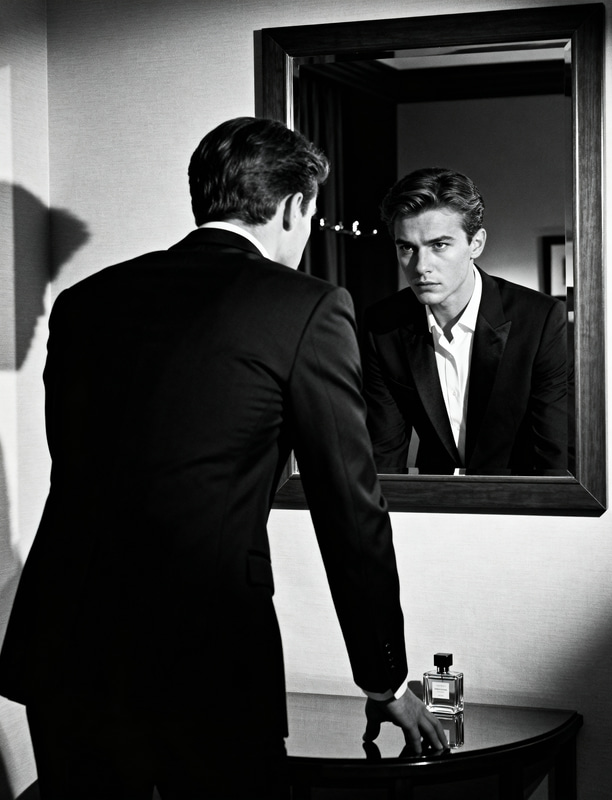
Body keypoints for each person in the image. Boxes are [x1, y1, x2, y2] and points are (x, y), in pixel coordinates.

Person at [0, 117, 446, 799]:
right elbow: (349, 508)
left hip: (63, 639)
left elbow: (83, 467)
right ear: (295, 207)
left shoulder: (84, 303)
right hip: (202, 650)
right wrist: (382, 676)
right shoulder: (307, 307)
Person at [361, 167, 572, 476]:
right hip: (436, 505)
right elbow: (383, 453)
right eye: (407, 247)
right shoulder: (383, 325)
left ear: (476, 243)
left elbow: (555, 454)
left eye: (439, 245)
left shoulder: (540, 320)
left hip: (521, 504)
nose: (421, 267)